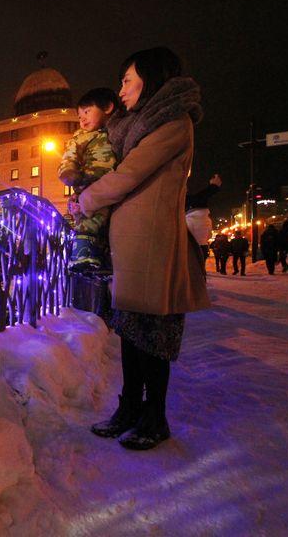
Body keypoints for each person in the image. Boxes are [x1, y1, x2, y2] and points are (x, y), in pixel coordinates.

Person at [68, 47, 209, 450]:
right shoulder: (139, 126)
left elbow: (129, 174)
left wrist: (86, 200)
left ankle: (154, 417)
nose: (122, 88)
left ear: (151, 79)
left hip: (154, 245)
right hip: (131, 245)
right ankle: (129, 408)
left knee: (154, 336)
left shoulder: (172, 124)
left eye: (128, 80)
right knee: (132, 334)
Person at [58, 88, 120, 270]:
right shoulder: (80, 138)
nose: (82, 119)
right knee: (89, 218)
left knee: (106, 223)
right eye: (79, 116)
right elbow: (68, 157)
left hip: (110, 186)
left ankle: (100, 257)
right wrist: (69, 173)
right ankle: (81, 253)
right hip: (88, 184)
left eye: (87, 112)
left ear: (107, 108)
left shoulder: (114, 134)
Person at [185, 174, 221, 268]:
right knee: (200, 270)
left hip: (192, 248)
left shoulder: (188, 219)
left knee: (191, 270)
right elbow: (209, 235)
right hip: (203, 247)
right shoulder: (207, 220)